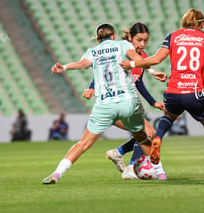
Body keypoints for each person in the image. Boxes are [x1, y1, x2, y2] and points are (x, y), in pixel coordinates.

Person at [120, 9, 204, 179]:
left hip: (174, 91)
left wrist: (132, 63)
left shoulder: (172, 36)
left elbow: (156, 59)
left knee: (168, 117)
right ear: (202, 24)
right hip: (196, 93)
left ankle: (158, 138)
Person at [42, 23, 167, 184]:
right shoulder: (123, 45)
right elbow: (138, 59)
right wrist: (152, 70)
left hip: (105, 105)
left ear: (99, 39)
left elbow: (81, 65)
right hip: (127, 101)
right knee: (144, 137)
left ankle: (57, 173)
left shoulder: (93, 51)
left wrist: (64, 67)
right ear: (114, 35)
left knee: (83, 143)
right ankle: (158, 171)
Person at [82, 22, 166, 180]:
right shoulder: (120, 51)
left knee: (146, 132)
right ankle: (132, 167)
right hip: (112, 104)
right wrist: (91, 87)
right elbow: (102, 72)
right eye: (139, 40)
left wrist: (153, 102)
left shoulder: (141, 58)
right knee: (148, 132)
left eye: (145, 41)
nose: (142, 44)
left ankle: (118, 153)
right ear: (129, 38)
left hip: (127, 104)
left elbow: (138, 81)